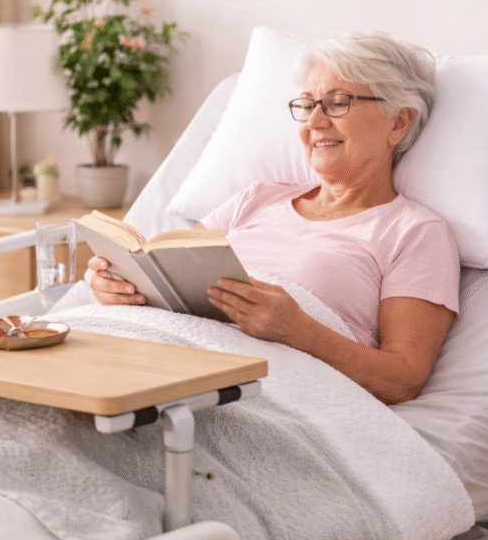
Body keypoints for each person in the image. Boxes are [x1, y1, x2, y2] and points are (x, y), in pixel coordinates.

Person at [88, 32, 459, 405]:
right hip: (156, 363)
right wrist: (121, 285)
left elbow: (403, 380)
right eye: (307, 104)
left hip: (246, 394)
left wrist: (298, 331)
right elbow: (171, 275)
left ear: (398, 123)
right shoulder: (256, 198)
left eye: (337, 103)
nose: (314, 121)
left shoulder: (415, 233)